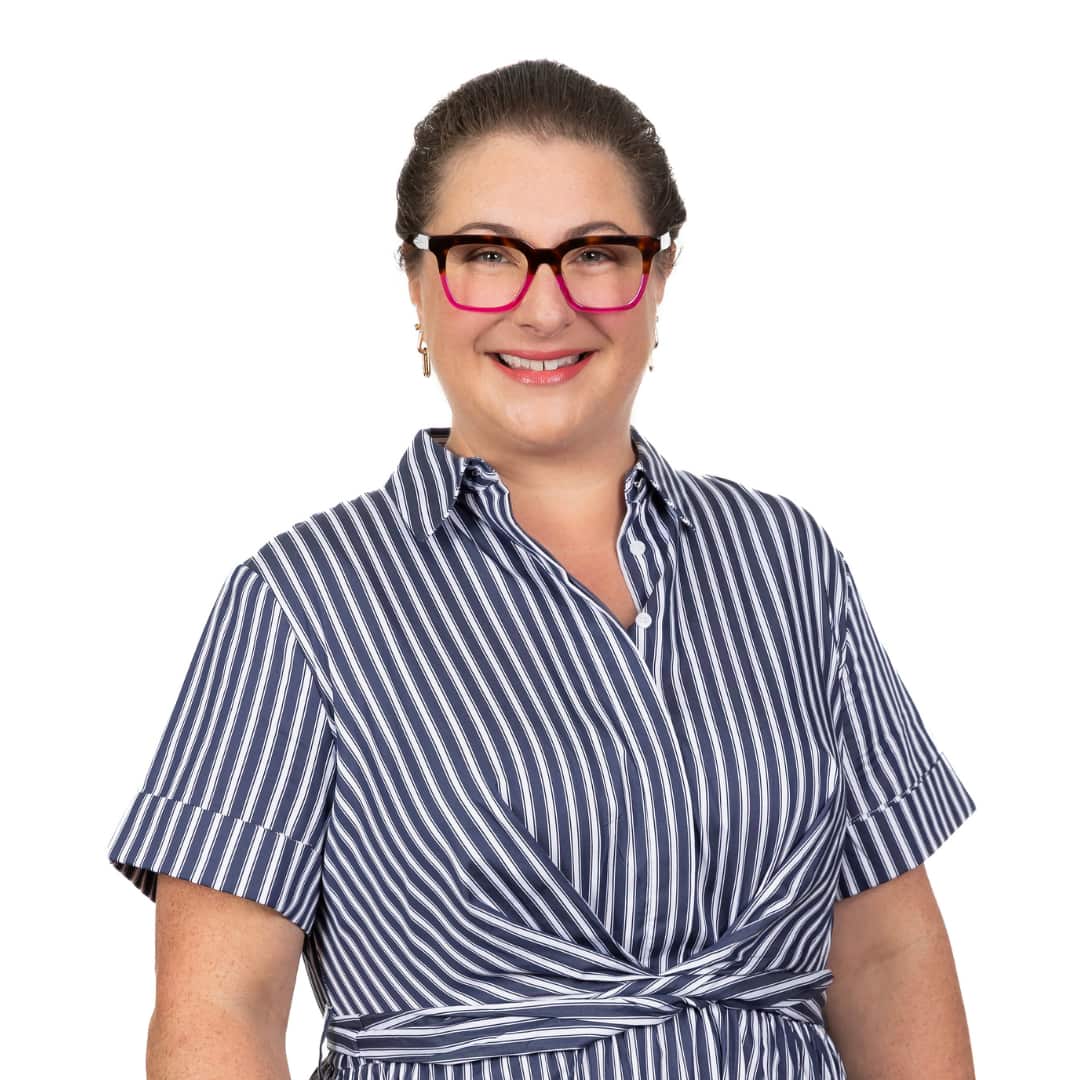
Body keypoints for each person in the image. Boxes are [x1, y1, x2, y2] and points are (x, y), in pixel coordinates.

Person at [105, 59, 977, 1080]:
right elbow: (221, 1014)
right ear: (419, 282)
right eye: (487, 254)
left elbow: (886, 953)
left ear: (657, 278)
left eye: (597, 254)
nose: (546, 307)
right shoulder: (301, 603)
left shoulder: (785, 562)